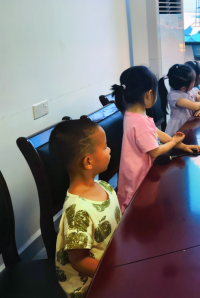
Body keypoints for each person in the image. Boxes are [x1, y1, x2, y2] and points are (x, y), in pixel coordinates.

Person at [112, 66, 200, 213]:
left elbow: (156, 132)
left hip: (135, 174)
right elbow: (155, 151)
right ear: (149, 94)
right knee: (139, 212)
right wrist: (174, 142)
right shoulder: (139, 121)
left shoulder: (133, 114)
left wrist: (182, 146)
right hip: (139, 179)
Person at [49, 119, 120, 297]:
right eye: (105, 147)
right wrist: (117, 272)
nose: (109, 150)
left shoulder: (105, 186)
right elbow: (79, 261)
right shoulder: (78, 211)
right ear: (88, 162)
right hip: (89, 285)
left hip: (113, 261)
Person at [160, 64, 200, 137]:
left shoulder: (190, 91)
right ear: (183, 88)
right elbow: (195, 106)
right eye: (193, 82)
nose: (194, 84)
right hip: (178, 129)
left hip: (190, 125)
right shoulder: (174, 96)